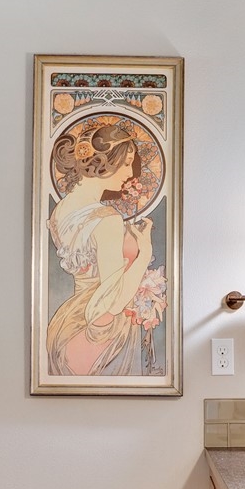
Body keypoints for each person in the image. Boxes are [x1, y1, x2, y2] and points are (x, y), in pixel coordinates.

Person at [45, 122, 161, 376]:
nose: (131, 172)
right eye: (127, 162)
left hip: (68, 324)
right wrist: (143, 253)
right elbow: (114, 301)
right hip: (99, 330)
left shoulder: (60, 211)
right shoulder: (108, 220)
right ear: (105, 162)